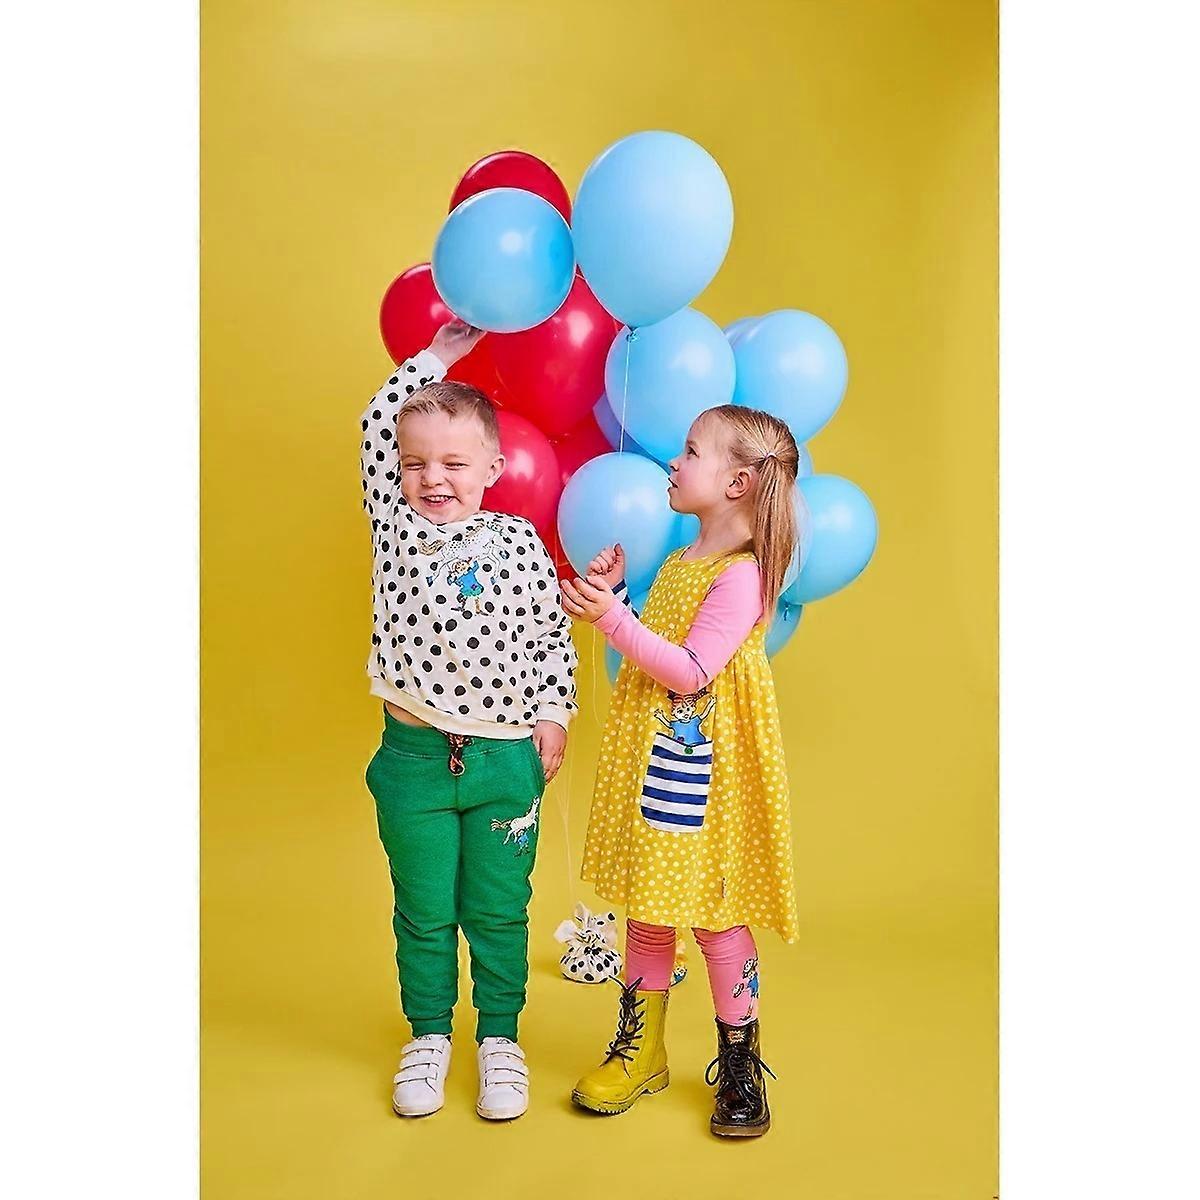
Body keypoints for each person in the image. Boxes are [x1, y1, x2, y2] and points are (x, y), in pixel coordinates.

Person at [560, 404, 800, 1138]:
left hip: (703, 774)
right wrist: (620, 599)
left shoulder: (742, 576)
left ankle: (739, 1061)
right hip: (660, 760)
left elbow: (693, 670)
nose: (673, 460)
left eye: (691, 451)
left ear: (737, 482)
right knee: (650, 904)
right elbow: (660, 647)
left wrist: (611, 619)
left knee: (715, 916)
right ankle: (643, 1052)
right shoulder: (679, 562)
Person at [359, 320, 577, 1121]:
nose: (432, 478)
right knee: (423, 909)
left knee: (497, 908)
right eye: (416, 463)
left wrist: (553, 712)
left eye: (453, 463)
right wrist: (439, 358)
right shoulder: (396, 526)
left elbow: (549, 635)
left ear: (494, 467)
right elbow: (375, 424)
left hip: (504, 760)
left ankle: (498, 1038)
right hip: (414, 759)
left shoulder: (518, 541)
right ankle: (427, 1035)